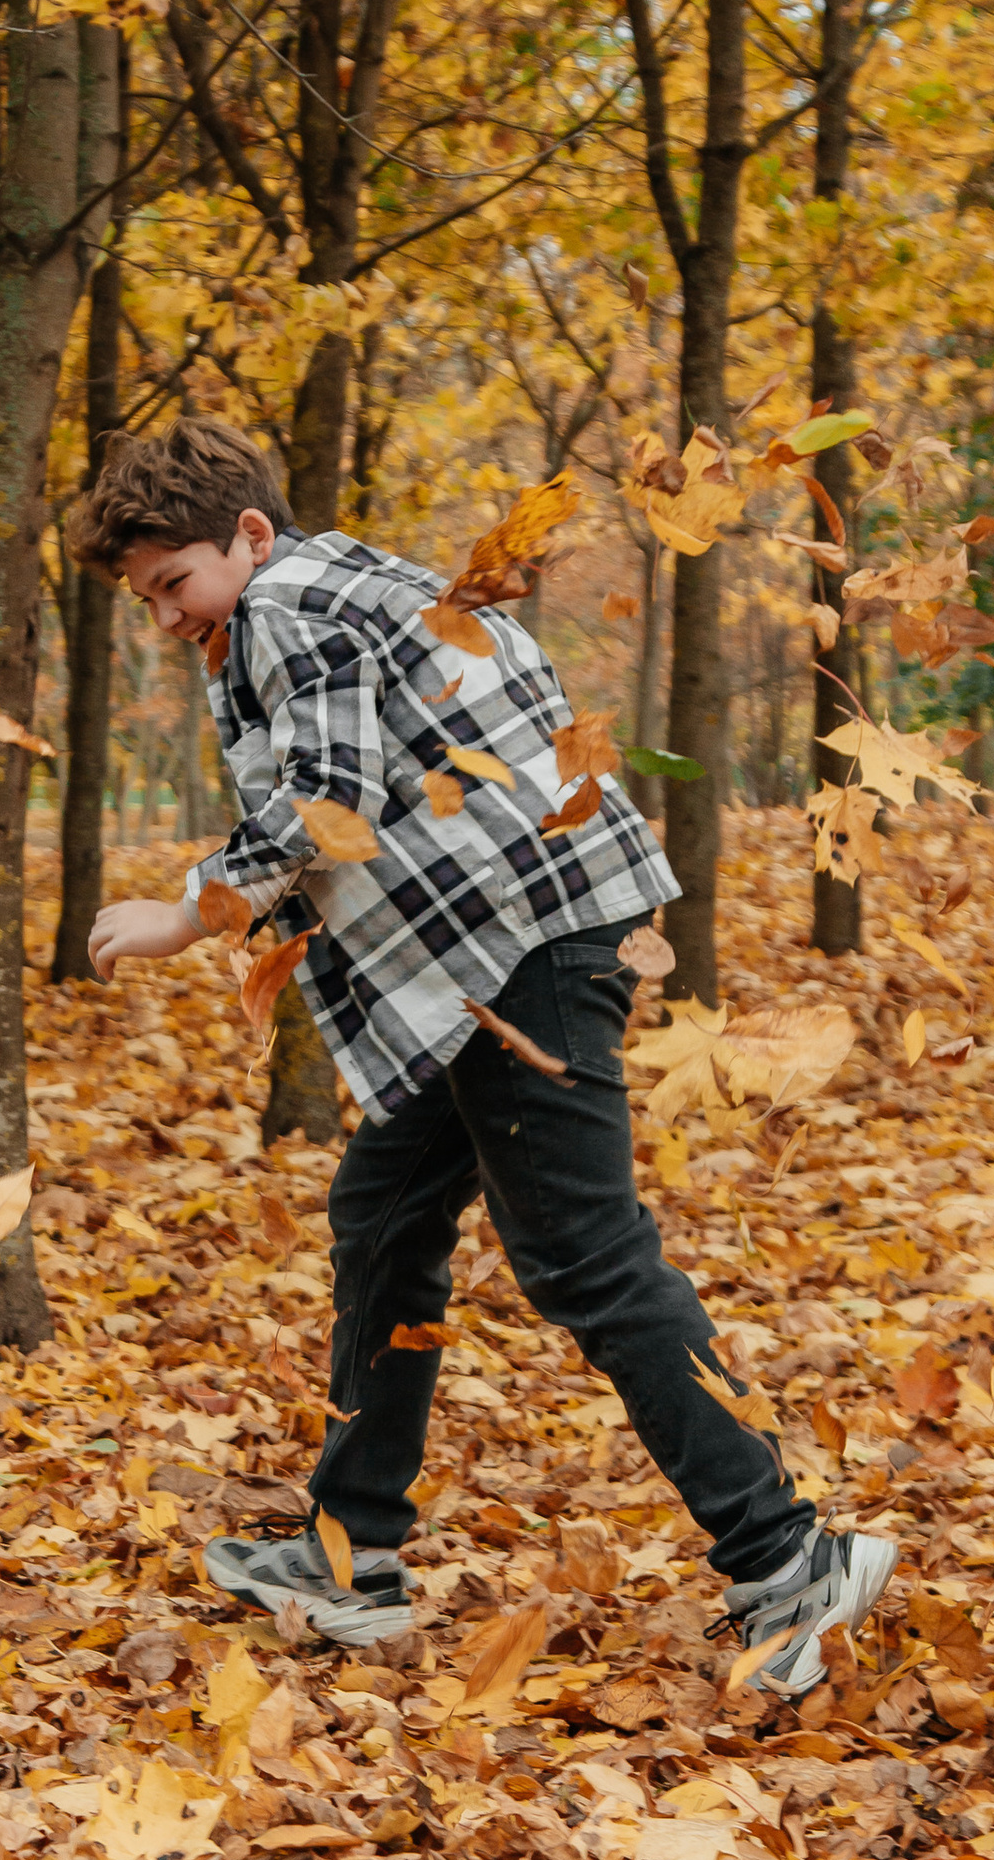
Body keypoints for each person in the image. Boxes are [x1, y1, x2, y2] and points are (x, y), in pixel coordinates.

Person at [69, 416, 895, 1690]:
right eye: (146, 600)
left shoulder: (292, 602)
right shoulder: (361, 585)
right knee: (384, 1213)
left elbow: (322, 806)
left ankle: (789, 1557)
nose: (168, 617)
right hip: (498, 959)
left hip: (524, 956)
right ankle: (353, 1556)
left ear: (245, 535)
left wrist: (192, 909)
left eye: (172, 584)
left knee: (585, 1261)